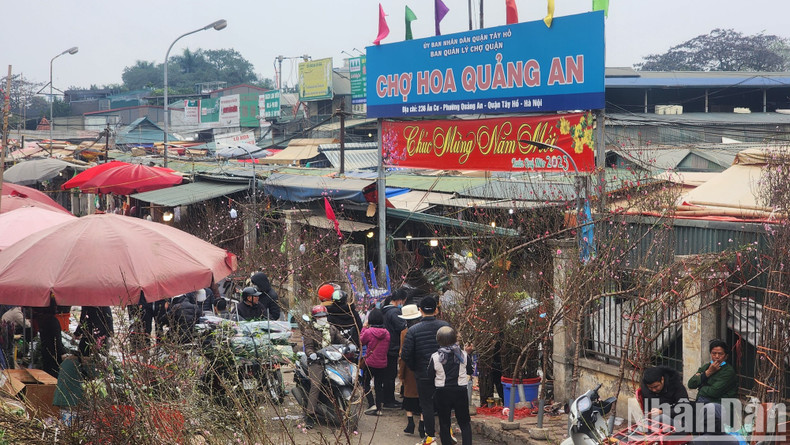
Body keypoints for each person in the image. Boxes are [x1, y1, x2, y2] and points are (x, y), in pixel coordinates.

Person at [401, 295, 450, 445]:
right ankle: (446, 435)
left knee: (426, 405)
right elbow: (453, 349)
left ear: (420, 310)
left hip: (423, 374)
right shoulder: (445, 327)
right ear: (436, 310)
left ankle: (430, 438)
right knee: (444, 404)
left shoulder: (413, 330)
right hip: (443, 372)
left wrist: (415, 367)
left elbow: (405, 354)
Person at [301, 304, 345, 429]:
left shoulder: (332, 328)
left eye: (324, 315)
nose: (322, 318)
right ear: (314, 317)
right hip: (316, 362)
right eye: (319, 316)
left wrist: (350, 345)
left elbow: (342, 339)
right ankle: (310, 416)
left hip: (332, 360)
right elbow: (308, 347)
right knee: (316, 386)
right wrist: (312, 354)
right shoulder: (310, 331)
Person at [428, 326, 473, 445]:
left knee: (444, 423)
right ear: (454, 339)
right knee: (464, 422)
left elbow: (430, 374)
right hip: (460, 391)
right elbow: (470, 371)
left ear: (438, 340)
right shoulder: (463, 355)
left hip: (442, 392)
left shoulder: (435, 357)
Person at [688, 339, 738, 433]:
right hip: (703, 403)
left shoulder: (728, 372)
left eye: (720, 354)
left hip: (720, 405)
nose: (717, 357)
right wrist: (707, 373)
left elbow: (714, 392)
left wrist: (702, 385)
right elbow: (691, 384)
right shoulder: (707, 367)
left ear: (726, 356)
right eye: (714, 353)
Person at [398, 304, 424, 437]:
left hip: (409, 368)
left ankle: (410, 423)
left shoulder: (404, 333)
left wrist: (401, 373)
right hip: (424, 366)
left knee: (408, 396)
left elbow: (403, 354)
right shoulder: (423, 329)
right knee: (423, 398)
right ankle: (422, 424)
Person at [360, 308, 390, 416]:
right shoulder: (387, 333)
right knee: (378, 385)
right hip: (382, 363)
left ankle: (371, 404)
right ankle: (379, 408)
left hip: (370, 363)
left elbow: (361, 341)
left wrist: (364, 327)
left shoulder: (368, 332)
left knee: (365, 383)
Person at [381, 289, 408, 408]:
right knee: (390, 375)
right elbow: (402, 328)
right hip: (392, 346)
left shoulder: (384, 310)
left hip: (384, 346)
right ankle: (389, 400)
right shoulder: (395, 312)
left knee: (386, 374)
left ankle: (385, 397)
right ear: (400, 300)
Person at [31, 299, 67, 378]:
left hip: (46, 352)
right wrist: (63, 353)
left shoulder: (42, 319)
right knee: (54, 376)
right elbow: (57, 340)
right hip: (54, 354)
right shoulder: (53, 321)